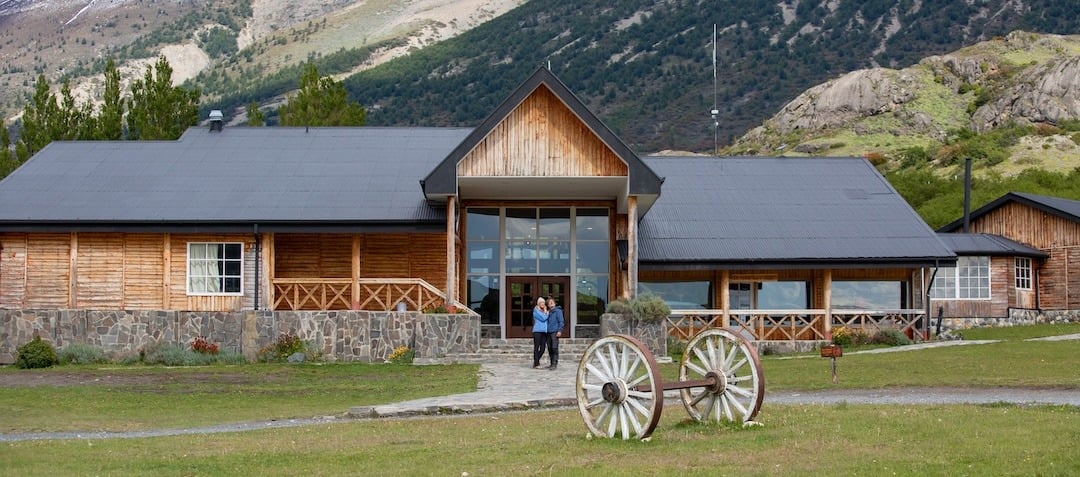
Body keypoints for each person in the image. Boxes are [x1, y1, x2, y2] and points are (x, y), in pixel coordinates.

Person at [545, 296, 564, 370]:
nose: (551, 304)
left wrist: (560, 330)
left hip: (555, 331)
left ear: (555, 303)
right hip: (548, 332)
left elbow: (561, 322)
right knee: (549, 348)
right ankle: (551, 363)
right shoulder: (548, 312)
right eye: (549, 303)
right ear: (548, 305)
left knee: (554, 348)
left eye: (552, 302)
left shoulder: (558, 311)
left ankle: (554, 363)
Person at [531, 296, 548, 369]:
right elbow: (543, 318)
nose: (543, 304)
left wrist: (545, 312)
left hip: (544, 331)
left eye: (544, 303)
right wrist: (546, 312)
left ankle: (536, 360)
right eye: (541, 302)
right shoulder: (536, 311)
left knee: (543, 348)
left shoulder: (544, 311)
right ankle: (536, 363)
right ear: (538, 303)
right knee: (536, 347)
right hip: (537, 331)